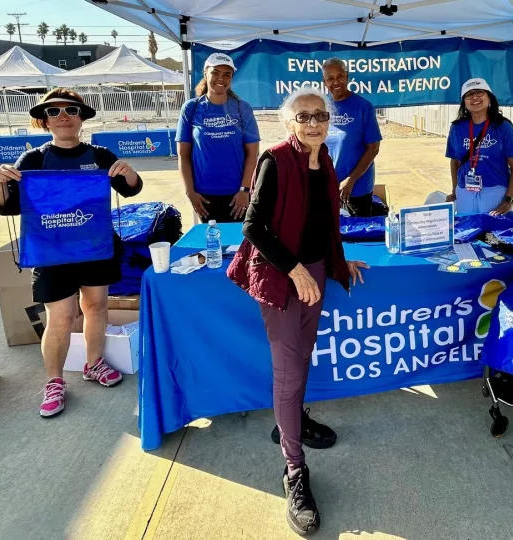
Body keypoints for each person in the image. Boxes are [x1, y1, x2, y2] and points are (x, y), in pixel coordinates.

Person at [227, 88, 369, 537]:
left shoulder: (324, 160)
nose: (313, 123)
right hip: (281, 275)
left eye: (320, 116)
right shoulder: (275, 159)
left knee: (301, 360)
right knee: (287, 371)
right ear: (288, 123)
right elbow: (253, 226)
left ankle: (291, 422)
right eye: (303, 117)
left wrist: (337, 260)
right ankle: (294, 470)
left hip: (314, 272)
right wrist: (294, 271)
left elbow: (326, 221)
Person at [0, 88, 142, 418]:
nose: (63, 117)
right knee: (60, 318)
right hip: (52, 254)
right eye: (54, 112)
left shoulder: (100, 156)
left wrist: (128, 172)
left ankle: (93, 362)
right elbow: (8, 207)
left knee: (97, 307)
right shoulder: (32, 161)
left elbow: (131, 188)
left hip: (96, 249)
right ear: (44, 121)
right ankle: (55, 381)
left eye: (71, 110)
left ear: (81, 117)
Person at [177, 52, 261, 223]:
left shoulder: (241, 108)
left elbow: (253, 154)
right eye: (215, 72)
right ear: (205, 73)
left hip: (237, 196)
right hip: (204, 197)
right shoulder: (191, 108)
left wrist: (245, 191)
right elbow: (183, 155)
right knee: (213, 247)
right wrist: (190, 192)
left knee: (238, 246)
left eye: (227, 74)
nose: (221, 78)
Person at [445, 78, 513, 215]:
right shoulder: (456, 128)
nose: (474, 97)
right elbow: (455, 162)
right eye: (469, 94)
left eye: (480, 93)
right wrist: (454, 189)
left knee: (492, 235)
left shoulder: (503, 127)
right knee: (466, 234)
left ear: (489, 98)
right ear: (464, 101)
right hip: (465, 193)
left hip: (495, 192)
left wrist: (508, 201)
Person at [321, 58, 383, 217]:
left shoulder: (363, 107)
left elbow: (373, 148)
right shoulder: (322, 107)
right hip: (328, 185)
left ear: (347, 76)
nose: (336, 81)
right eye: (330, 78)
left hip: (357, 187)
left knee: (358, 236)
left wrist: (351, 179)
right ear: (324, 81)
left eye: (340, 76)